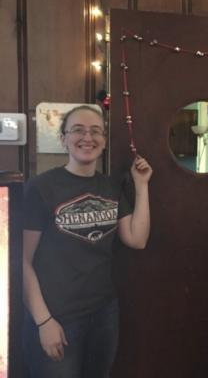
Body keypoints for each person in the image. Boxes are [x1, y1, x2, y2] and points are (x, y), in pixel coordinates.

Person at [23, 105, 152, 378]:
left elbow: (137, 239)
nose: (87, 138)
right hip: (57, 316)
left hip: (103, 312)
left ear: (104, 141)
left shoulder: (110, 187)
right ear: (63, 139)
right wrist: (43, 321)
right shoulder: (41, 187)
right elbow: (21, 261)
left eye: (96, 132)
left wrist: (142, 187)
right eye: (78, 130)